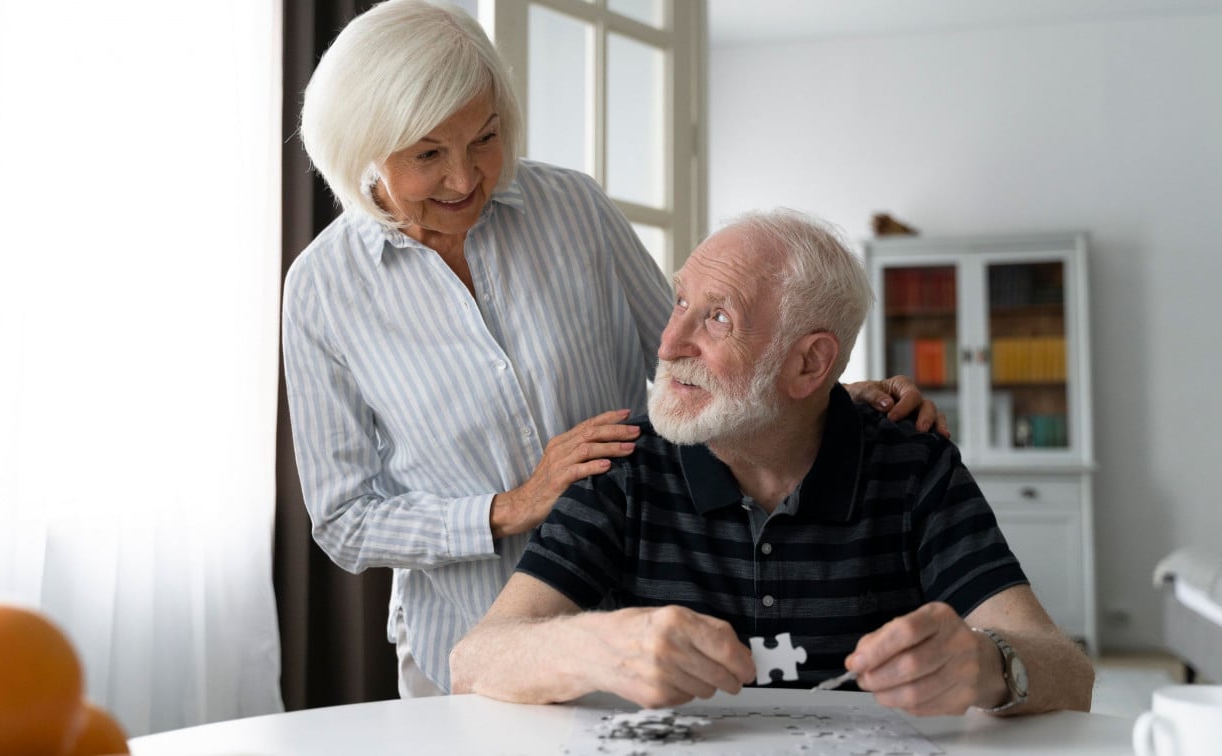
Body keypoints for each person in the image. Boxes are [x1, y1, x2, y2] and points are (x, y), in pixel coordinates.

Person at [283, 0, 943, 697]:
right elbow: (344, 519)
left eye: (485, 137)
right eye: (427, 155)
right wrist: (510, 505)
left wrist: (828, 398)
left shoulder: (573, 209)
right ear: (362, 150)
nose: (466, 177)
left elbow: (699, 365)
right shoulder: (322, 291)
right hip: (467, 647)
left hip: (638, 629)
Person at [450, 209, 1095, 716]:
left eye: (718, 317)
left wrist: (987, 667)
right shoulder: (623, 463)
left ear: (810, 363)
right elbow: (473, 662)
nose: (670, 343)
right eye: (680, 302)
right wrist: (595, 648)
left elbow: (1069, 673)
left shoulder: (914, 463)